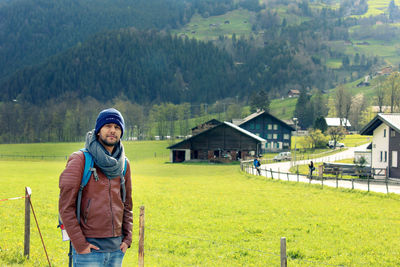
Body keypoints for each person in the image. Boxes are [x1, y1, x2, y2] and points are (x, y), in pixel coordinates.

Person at [59, 108, 133, 267]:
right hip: (89, 250)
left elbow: (127, 204)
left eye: (117, 127)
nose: (113, 130)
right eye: (108, 126)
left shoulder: (124, 164)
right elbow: (65, 207)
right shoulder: (80, 160)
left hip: (116, 249)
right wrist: (80, 244)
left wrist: (127, 240)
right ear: (98, 130)